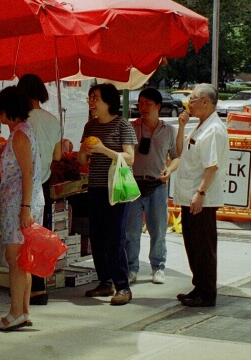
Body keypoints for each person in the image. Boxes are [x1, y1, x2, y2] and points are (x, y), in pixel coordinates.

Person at [78, 83, 137, 306]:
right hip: (95, 187)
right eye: (90, 98)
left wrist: (103, 149)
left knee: (115, 237)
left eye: (96, 98)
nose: (91, 102)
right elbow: (82, 161)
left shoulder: (123, 125)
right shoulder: (90, 126)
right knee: (97, 236)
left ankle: (123, 286)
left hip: (117, 189)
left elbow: (130, 158)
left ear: (109, 102)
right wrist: (83, 151)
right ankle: (105, 281)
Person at [172, 83, 229, 307]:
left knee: (203, 247)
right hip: (190, 196)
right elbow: (180, 152)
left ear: (205, 102)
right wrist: (181, 127)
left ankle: (207, 293)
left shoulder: (213, 129)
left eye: (193, 99)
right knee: (193, 245)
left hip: (201, 198)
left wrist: (200, 193)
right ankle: (199, 286)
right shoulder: (201, 126)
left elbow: (211, 166)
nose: (189, 103)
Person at [0, 86, 43, 331]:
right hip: (20, 203)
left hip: (18, 204)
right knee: (22, 260)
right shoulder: (21, 131)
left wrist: (25, 207)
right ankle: (23, 311)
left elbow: (27, 173)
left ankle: (14, 314)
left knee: (14, 260)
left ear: (7, 110)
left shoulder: (20, 135)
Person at [126, 88, 179, 285]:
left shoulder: (169, 130)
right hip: (133, 185)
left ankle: (158, 267)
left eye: (148, 103)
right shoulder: (131, 127)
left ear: (158, 106)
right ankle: (131, 269)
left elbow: (176, 157)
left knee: (158, 231)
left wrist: (169, 170)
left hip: (157, 185)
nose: (143, 107)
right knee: (131, 232)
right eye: (140, 103)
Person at [16, 74, 62, 306]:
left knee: (22, 238)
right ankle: (39, 286)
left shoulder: (22, 122)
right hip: (44, 182)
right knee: (39, 236)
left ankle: (26, 290)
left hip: (25, 186)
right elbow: (58, 156)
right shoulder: (52, 120)